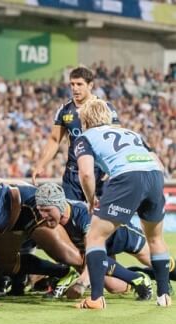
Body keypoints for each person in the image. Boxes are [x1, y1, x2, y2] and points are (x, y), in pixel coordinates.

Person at [74, 99, 171, 309]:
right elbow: (159, 165)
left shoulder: (85, 138)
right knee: (155, 238)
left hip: (127, 179)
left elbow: (86, 173)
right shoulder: (132, 133)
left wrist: (92, 200)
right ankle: (164, 295)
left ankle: (96, 299)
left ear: (85, 119)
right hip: (154, 176)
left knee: (94, 237)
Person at [32, 66, 119, 201]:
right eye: (72, 84)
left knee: (99, 219)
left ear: (90, 85)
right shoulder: (65, 110)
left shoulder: (105, 108)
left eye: (79, 84)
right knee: (71, 217)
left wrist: (112, 166)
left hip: (99, 172)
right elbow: (55, 140)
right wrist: (41, 164)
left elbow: (116, 138)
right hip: (73, 174)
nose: (75, 88)